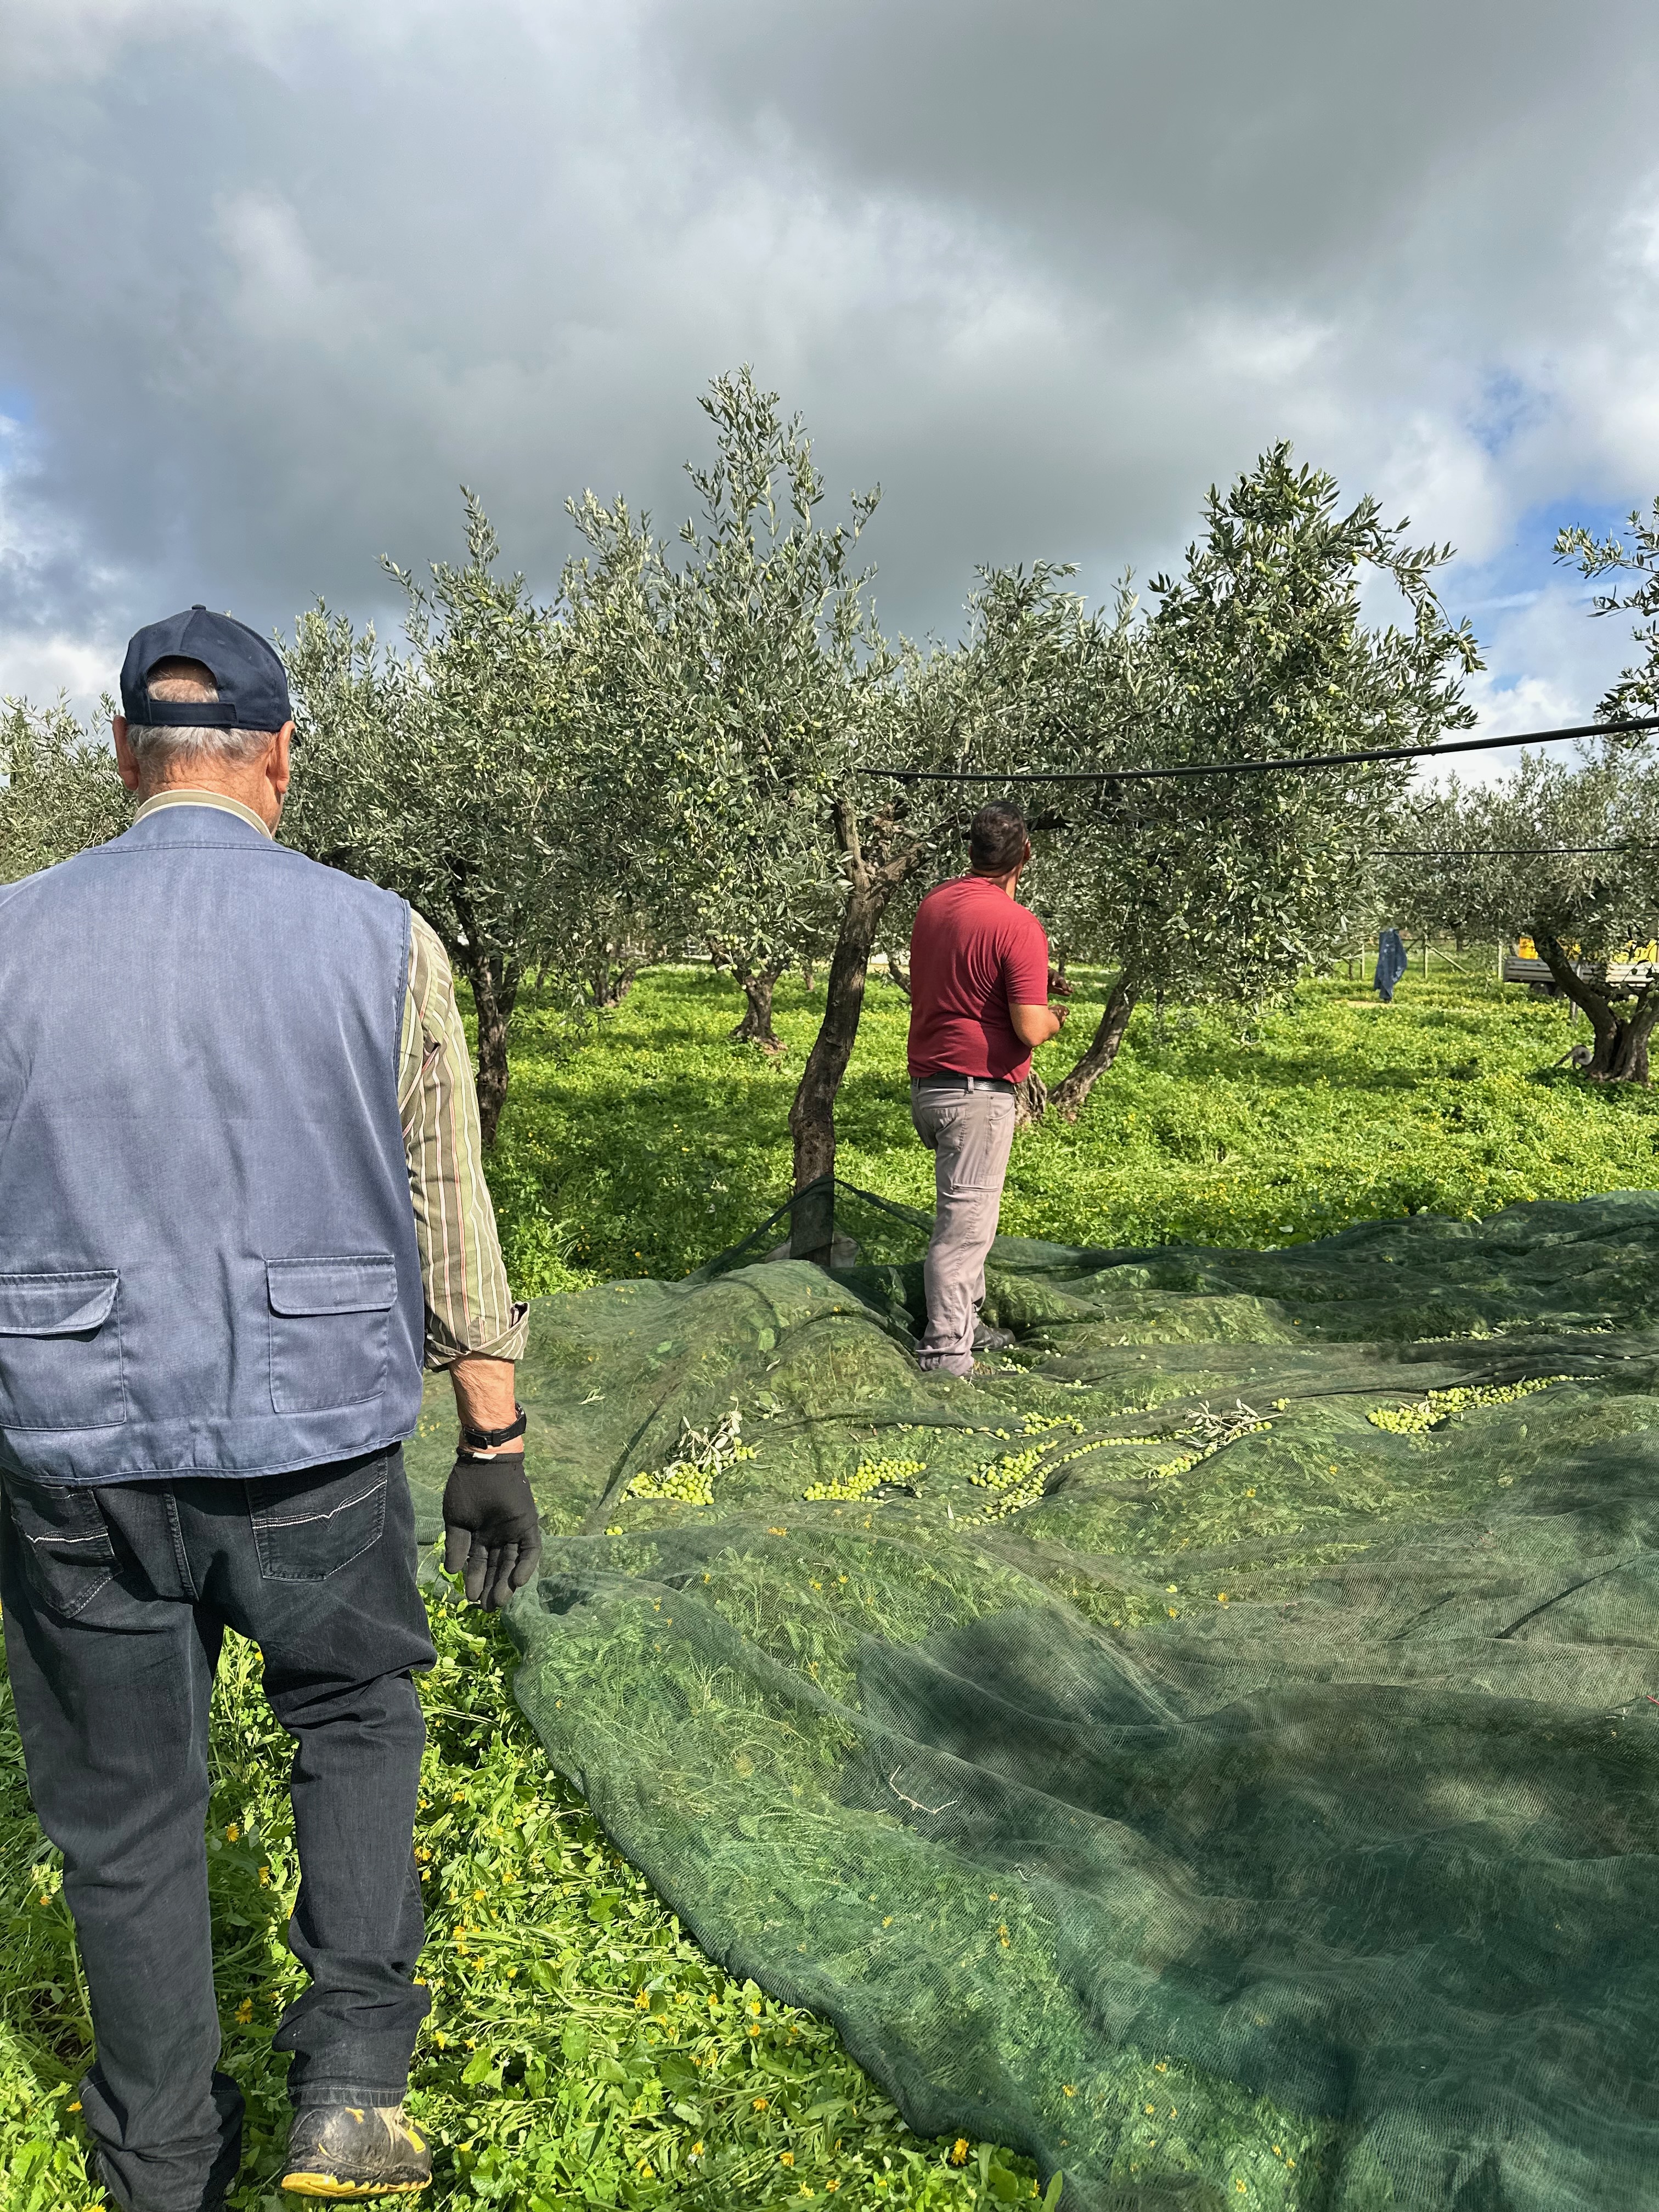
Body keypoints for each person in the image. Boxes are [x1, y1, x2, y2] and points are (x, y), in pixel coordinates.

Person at [0, 608, 542, 2208]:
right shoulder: (381, 940)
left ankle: (161, 2162)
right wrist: (492, 1444)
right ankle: (352, 2088)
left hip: (72, 1446)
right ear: (281, 758)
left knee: (124, 1804)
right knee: (357, 1713)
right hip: (313, 1432)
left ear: (120, 754)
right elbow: (452, 1203)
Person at [906, 800, 1065, 1377]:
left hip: (930, 1085)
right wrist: (1054, 1019)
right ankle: (946, 1356)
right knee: (965, 1230)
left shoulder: (934, 907)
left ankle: (967, 1325)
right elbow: (1029, 1027)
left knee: (965, 1216)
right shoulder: (1018, 925)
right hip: (976, 1095)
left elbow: (964, 981)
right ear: (1026, 854)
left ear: (970, 852)